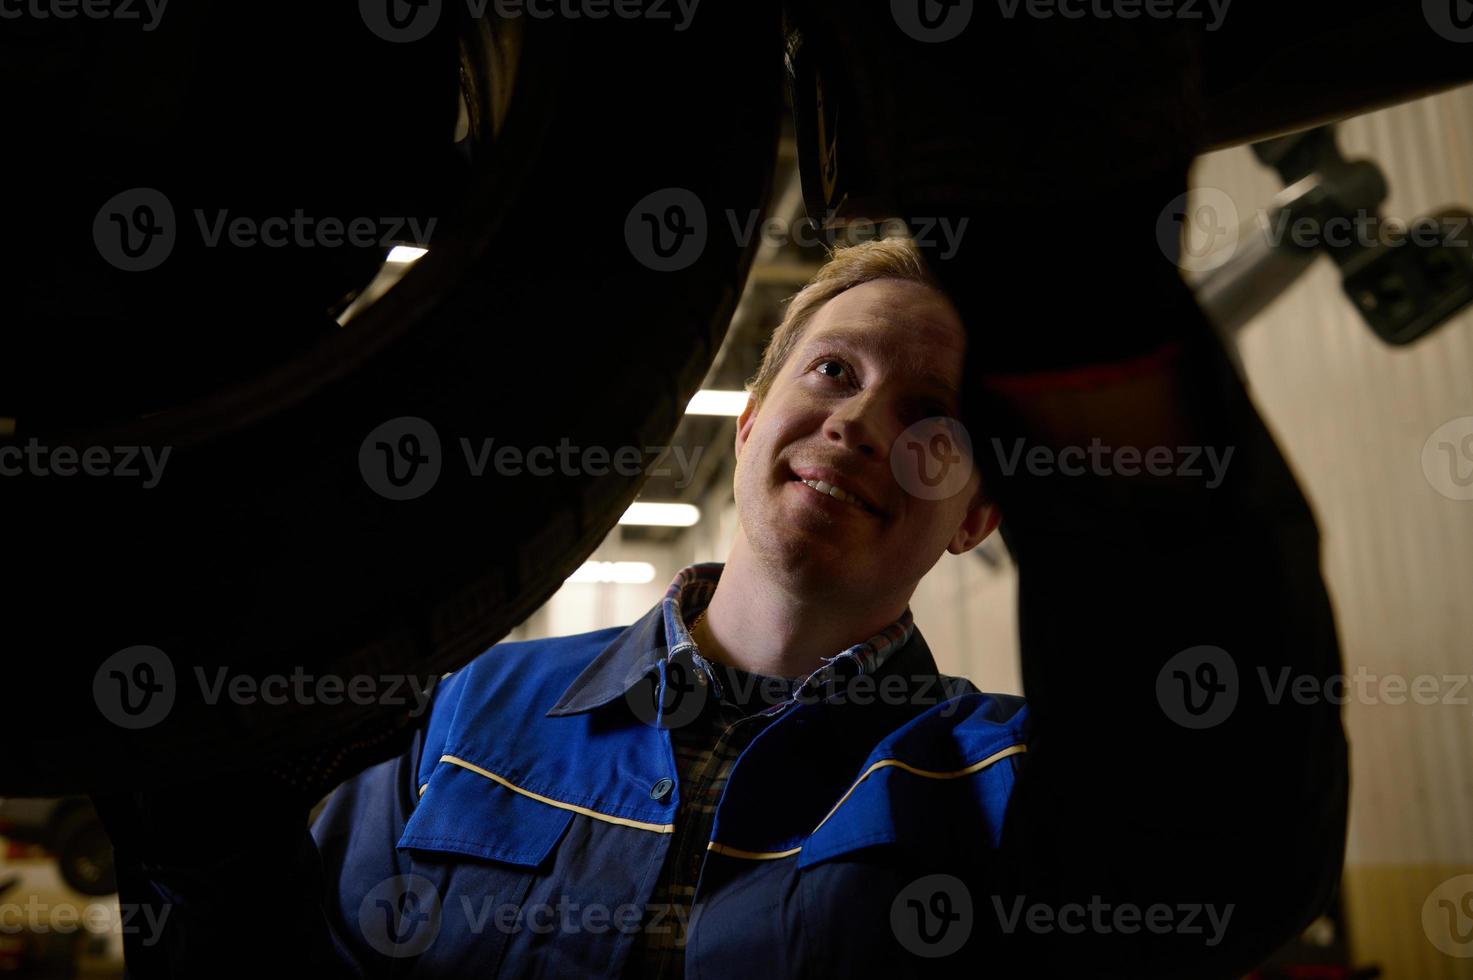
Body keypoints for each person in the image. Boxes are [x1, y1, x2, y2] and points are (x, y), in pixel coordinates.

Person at [98, 237, 1348, 978]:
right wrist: (198, 828)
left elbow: (1228, 848)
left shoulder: (1008, 776)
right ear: (753, 421)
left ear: (978, 514)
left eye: (932, 416)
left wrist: (1074, 248)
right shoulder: (471, 708)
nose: (862, 420)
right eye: (834, 372)